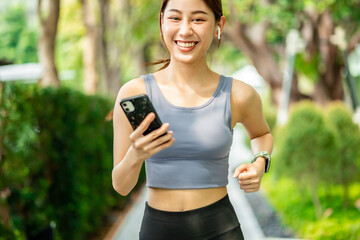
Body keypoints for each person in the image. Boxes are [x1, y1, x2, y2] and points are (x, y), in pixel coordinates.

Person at [112, 0, 273, 239]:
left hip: (220, 228)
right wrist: (136, 154)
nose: (186, 30)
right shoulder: (134, 93)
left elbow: (262, 135)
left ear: (219, 25)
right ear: (161, 22)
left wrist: (260, 163)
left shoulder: (240, 94)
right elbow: (121, 186)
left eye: (198, 19)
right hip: (157, 230)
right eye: (175, 18)